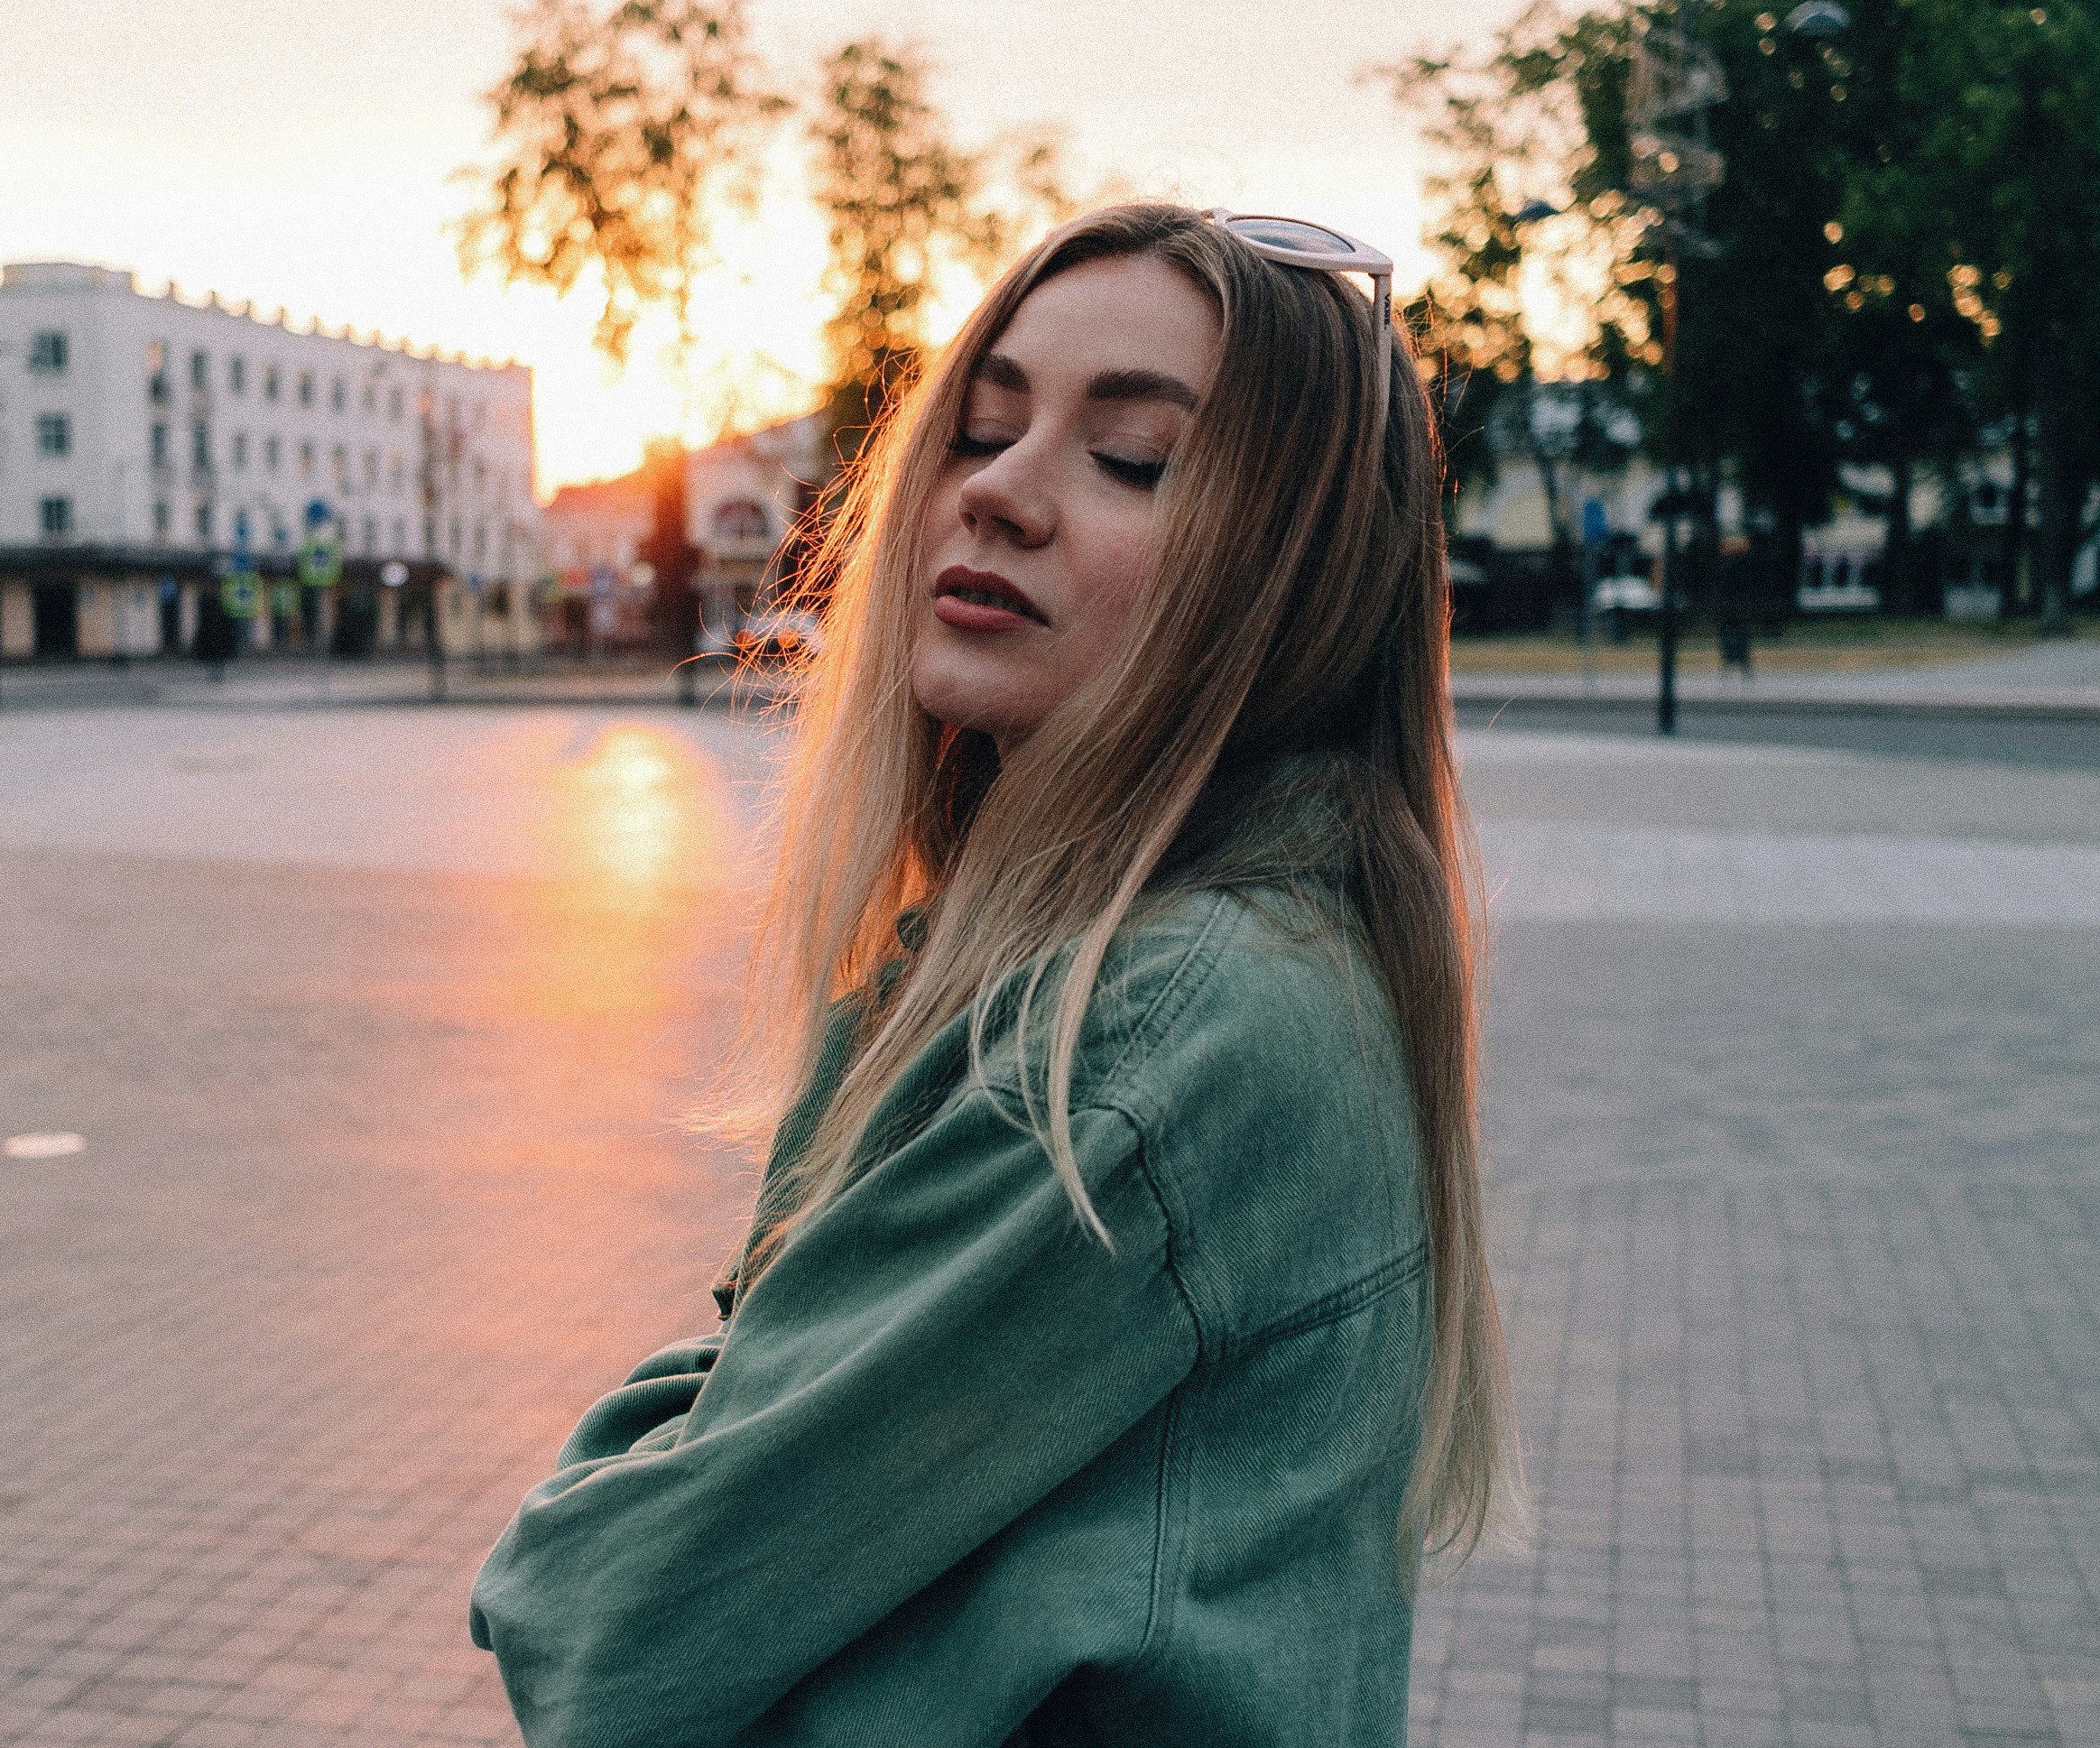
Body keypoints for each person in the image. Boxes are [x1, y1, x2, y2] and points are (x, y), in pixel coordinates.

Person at [470, 202, 1525, 1747]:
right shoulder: (1146, 957)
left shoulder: (1153, 1039)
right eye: (979, 426)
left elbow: (603, 1619)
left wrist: (649, 1469)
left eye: (1132, 458)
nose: (998, 495)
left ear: (1288, 577)